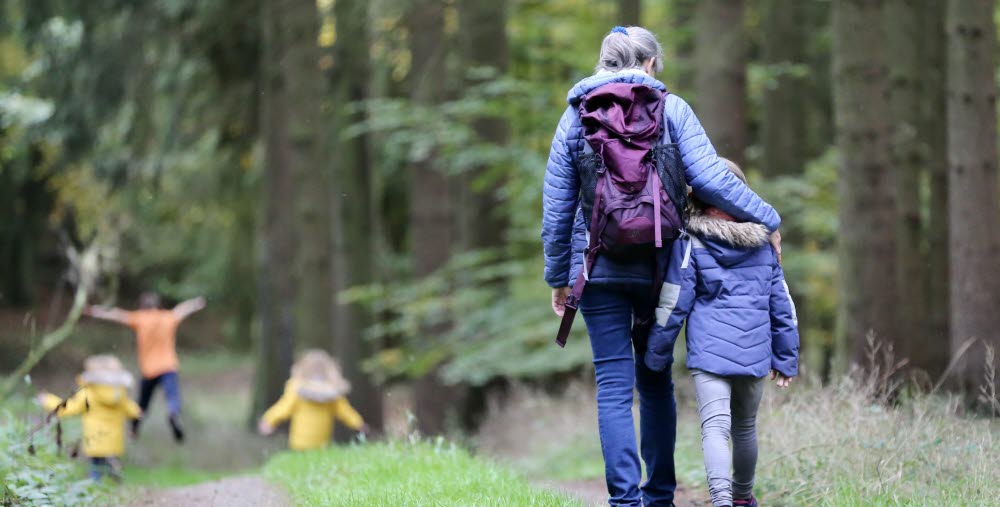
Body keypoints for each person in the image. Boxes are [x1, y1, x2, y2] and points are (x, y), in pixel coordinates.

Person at [541, 26, 782, 507]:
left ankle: (624, 501)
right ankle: (659, 495)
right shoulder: (673, 110)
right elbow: (712, 180)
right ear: (651, 63)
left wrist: (559, 277)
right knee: (654, 379)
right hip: (661, 267)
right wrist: (768, 218)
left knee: (612, 383)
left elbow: (557, 208)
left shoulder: (575, 117)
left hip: (597, 266)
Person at [644, 160, 799, 507]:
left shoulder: (691, 241)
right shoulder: (764, 243)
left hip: (710, 355)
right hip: (755, 351)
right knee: (745, 428)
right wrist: (786, 358)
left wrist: (657, 351)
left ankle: (722, 501)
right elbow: (782, 306)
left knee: (714, 428)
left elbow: (674, 300)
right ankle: (743, 498)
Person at [82, 292, 205, 442]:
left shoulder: (140, 318)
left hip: (149, 370)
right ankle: (173, 413)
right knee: (172, 396)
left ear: (142, 306)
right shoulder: (167, 317)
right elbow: (182, 309)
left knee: (142, 403)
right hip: (168, 366)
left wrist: (94, 311)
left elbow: (116, 314)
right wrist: (196, 303)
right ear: (157, 305)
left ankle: (134, 429)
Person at [37, 355, 143, 481]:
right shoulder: (119, 394)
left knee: (95, 466)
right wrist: (138, 413)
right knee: (107, 460)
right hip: (114, 440)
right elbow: (133, 410)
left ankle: (96, 483)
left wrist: (48, 400)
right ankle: (111, 471)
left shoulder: (89, 392)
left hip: (95, 438)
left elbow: (68, 408)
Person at [257, 349, 369, 450]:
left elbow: (284, 407)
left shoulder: (296, 387)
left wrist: (269, 420)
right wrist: (358, 423)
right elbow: (345, 411)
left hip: (299, 442)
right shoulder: (332, 391)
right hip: (322, 442)